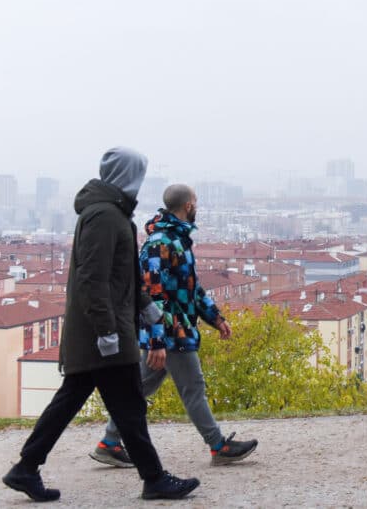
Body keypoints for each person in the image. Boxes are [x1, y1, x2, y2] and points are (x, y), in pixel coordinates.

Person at [3, 148, 200, 502]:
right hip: (104, 334)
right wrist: (107, 331)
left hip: (102, 331)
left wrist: (148, 309)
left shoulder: (113, 214)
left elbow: (124, 275)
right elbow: (92, 280)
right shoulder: (105, 217)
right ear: (128, 176)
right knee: (129, 407)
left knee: (75, 402)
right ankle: (154, 479)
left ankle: (25, 468)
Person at [90, 184, 257, 469]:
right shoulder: (161, 243)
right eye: (196, 202)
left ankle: (109, 442)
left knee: (137, 390)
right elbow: (151, 295)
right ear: (189, 205)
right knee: (193, 387)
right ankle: (219, 446)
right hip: (171, 331)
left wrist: (215, 318)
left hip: (172, 329)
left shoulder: (177, 240)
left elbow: (191, 288)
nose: (197, 206)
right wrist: (156, 339)